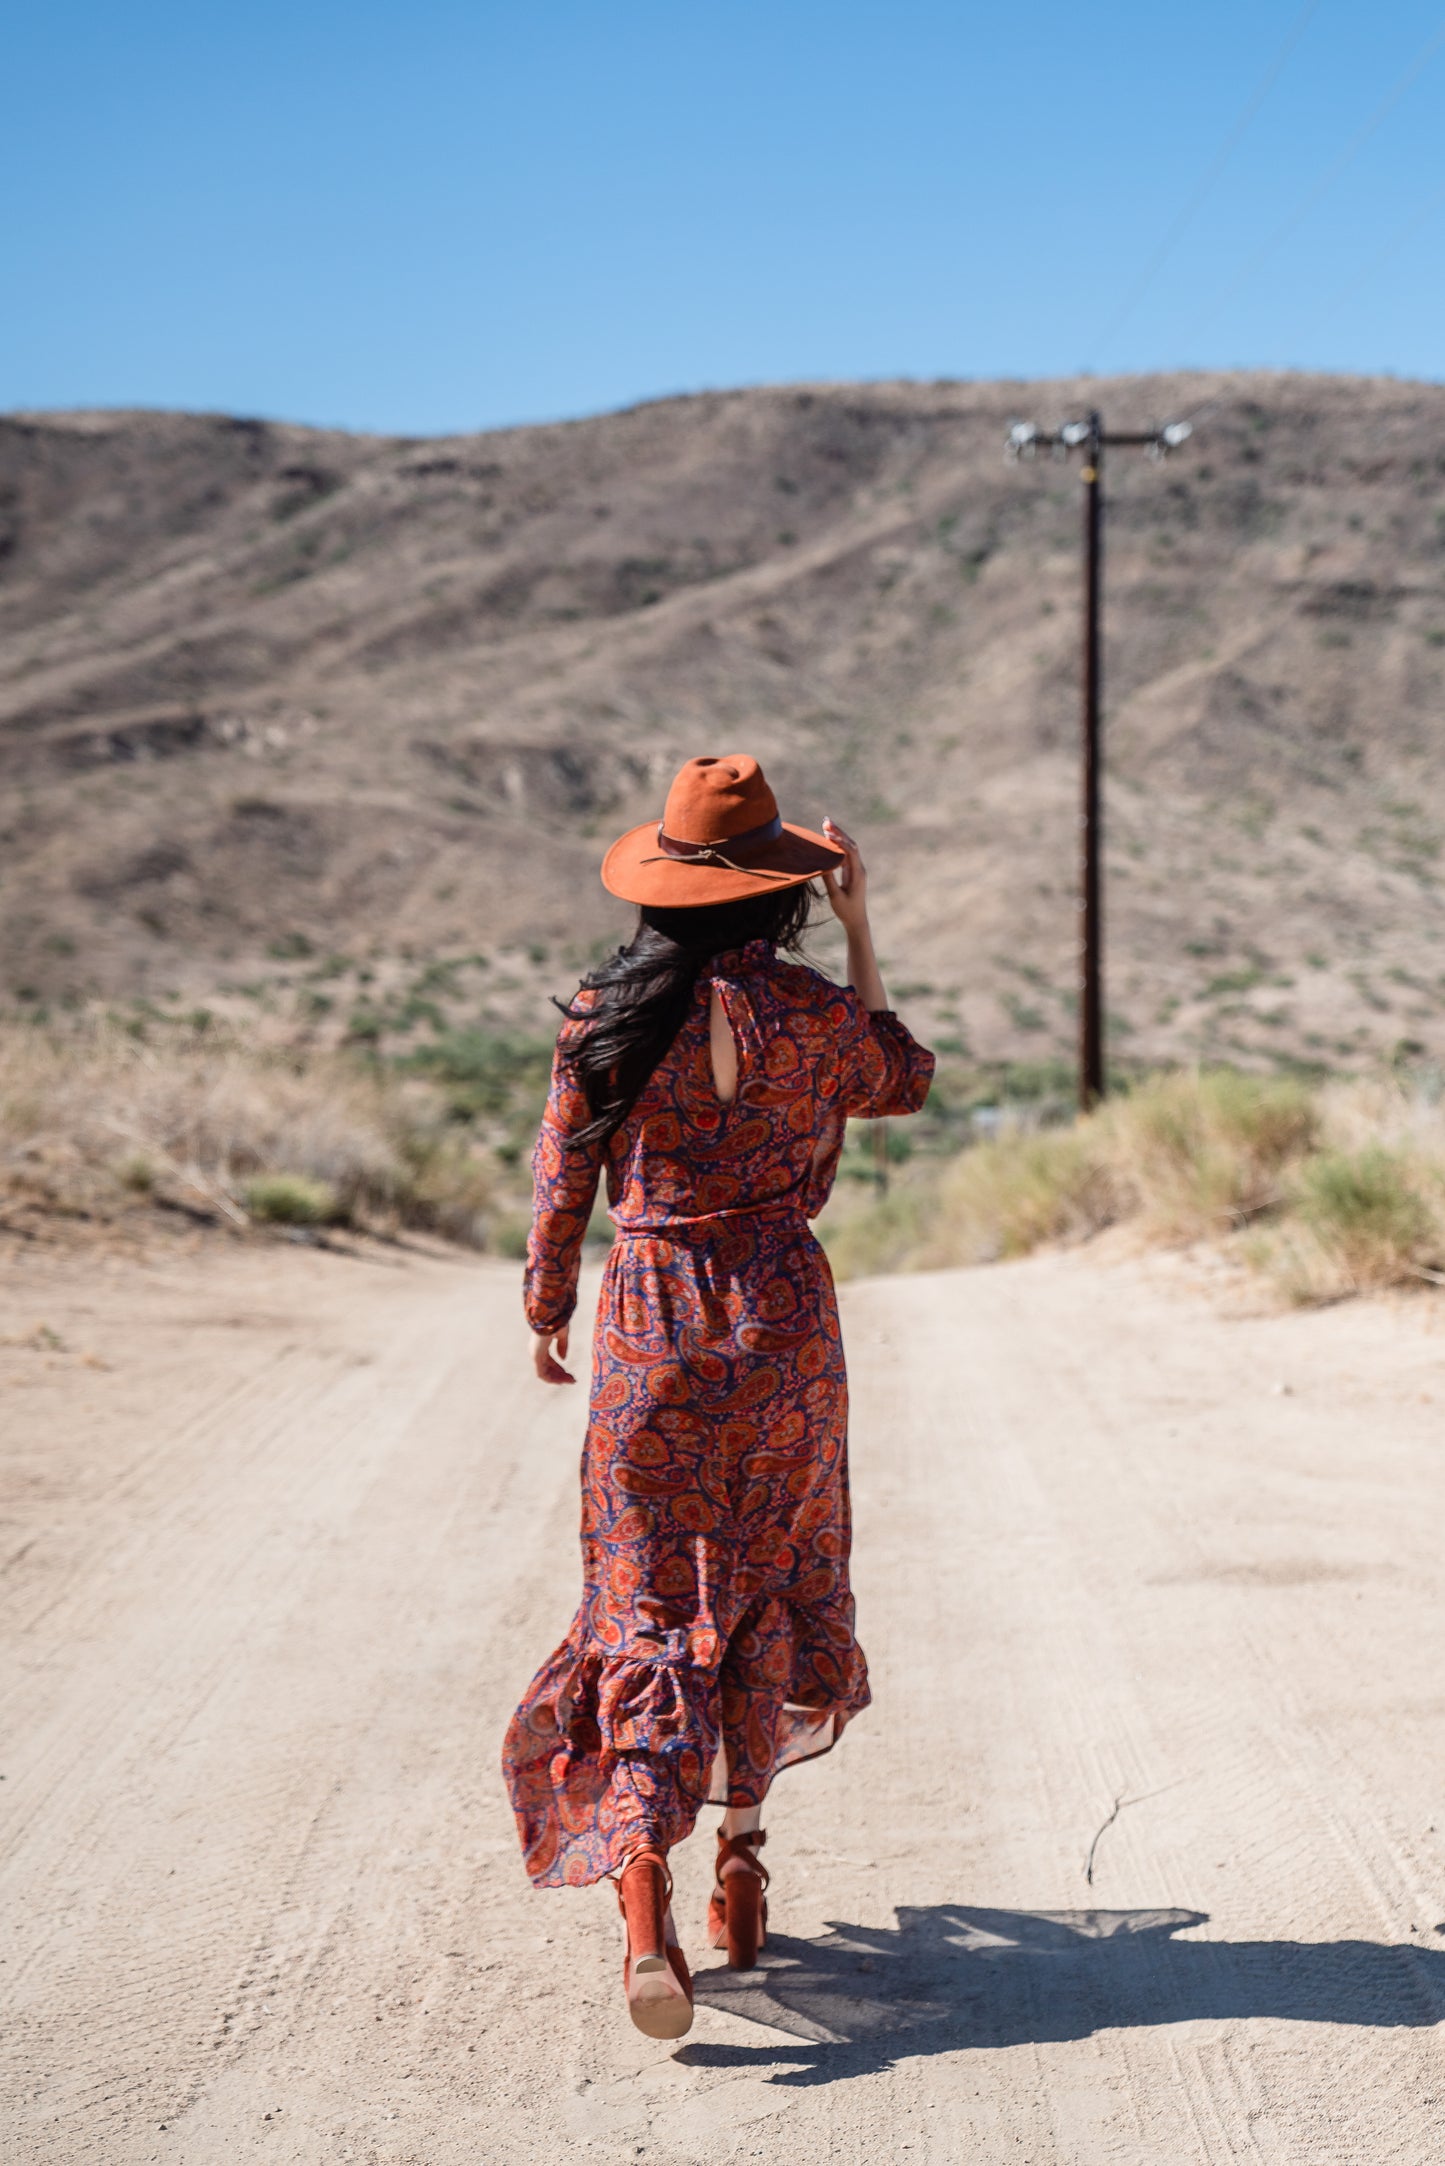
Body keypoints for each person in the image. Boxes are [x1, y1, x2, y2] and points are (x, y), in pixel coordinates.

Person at [501, 752, 934, 2038]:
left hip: (653, 1319)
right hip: (784, 1319)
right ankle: (743, 1858)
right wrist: (862, 934)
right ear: (779, 897)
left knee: (647, 1600)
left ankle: (646, 1899)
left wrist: (547, 1309)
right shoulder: (807, 1014)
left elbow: (557, 1176)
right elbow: (903, 1076)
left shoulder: (608, 1014)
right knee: (771, 1573)